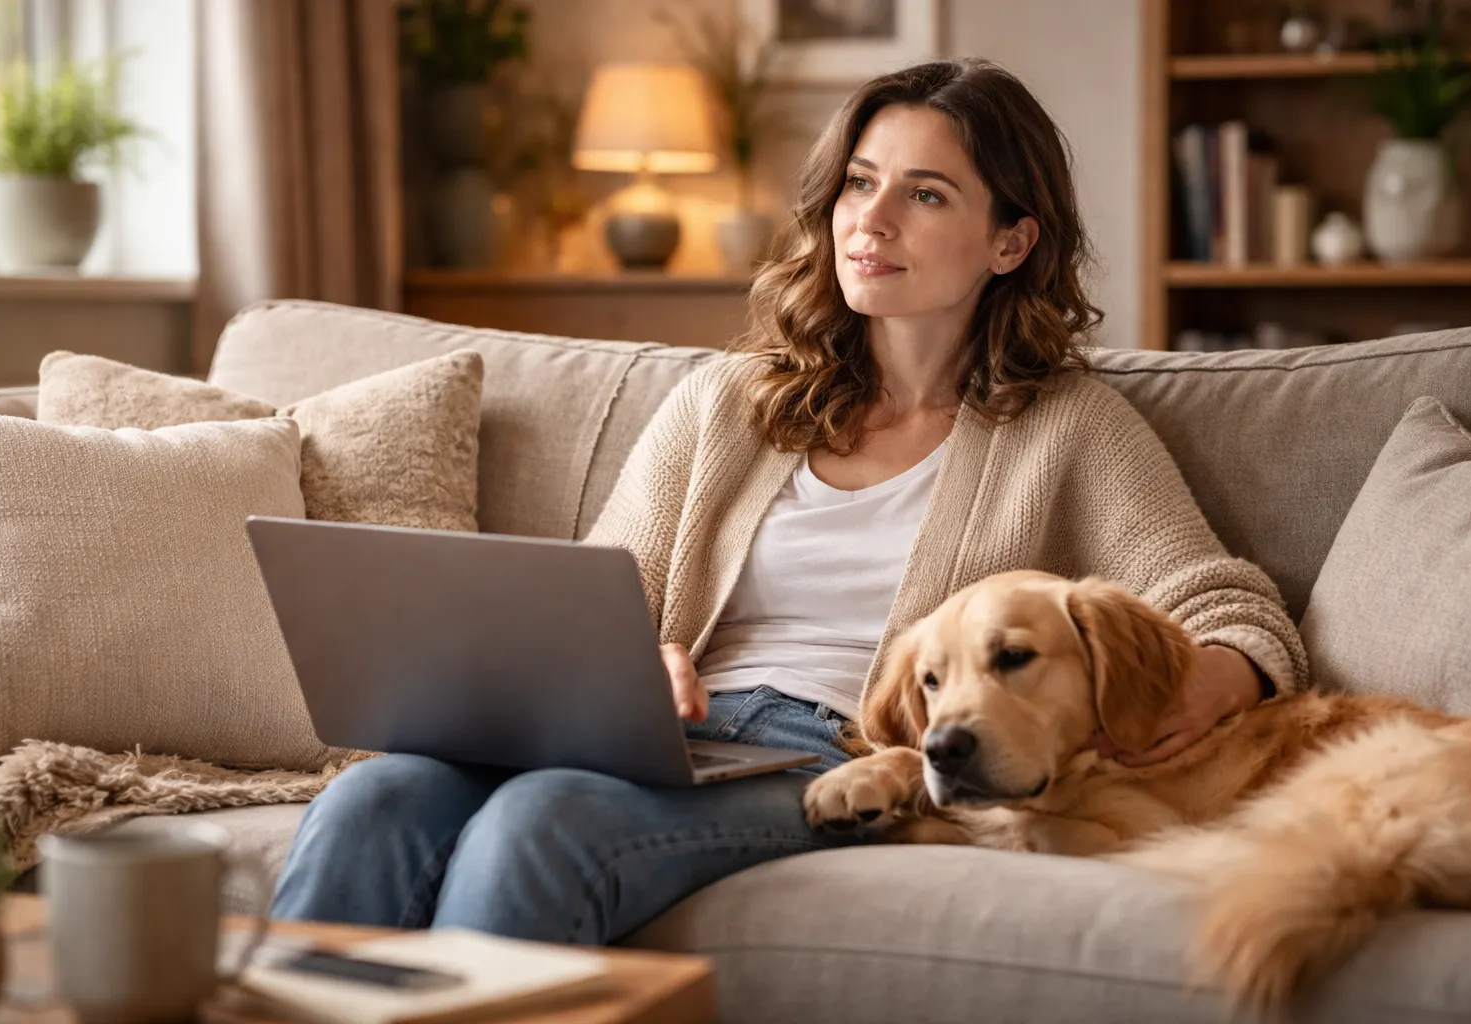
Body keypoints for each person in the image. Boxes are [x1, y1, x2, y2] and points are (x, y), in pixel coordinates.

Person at [270, 58, 1306, 942]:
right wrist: (639, 661)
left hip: (834, 753)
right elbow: (595, 593)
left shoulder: (1065, 426)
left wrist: (1196, 688)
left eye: (927, 194)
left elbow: (1230, 606)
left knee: (537, 822)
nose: (874, 219)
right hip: (666, 734)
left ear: (1012, 241)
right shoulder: (729, 400)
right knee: (376, 797)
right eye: (860, 184)